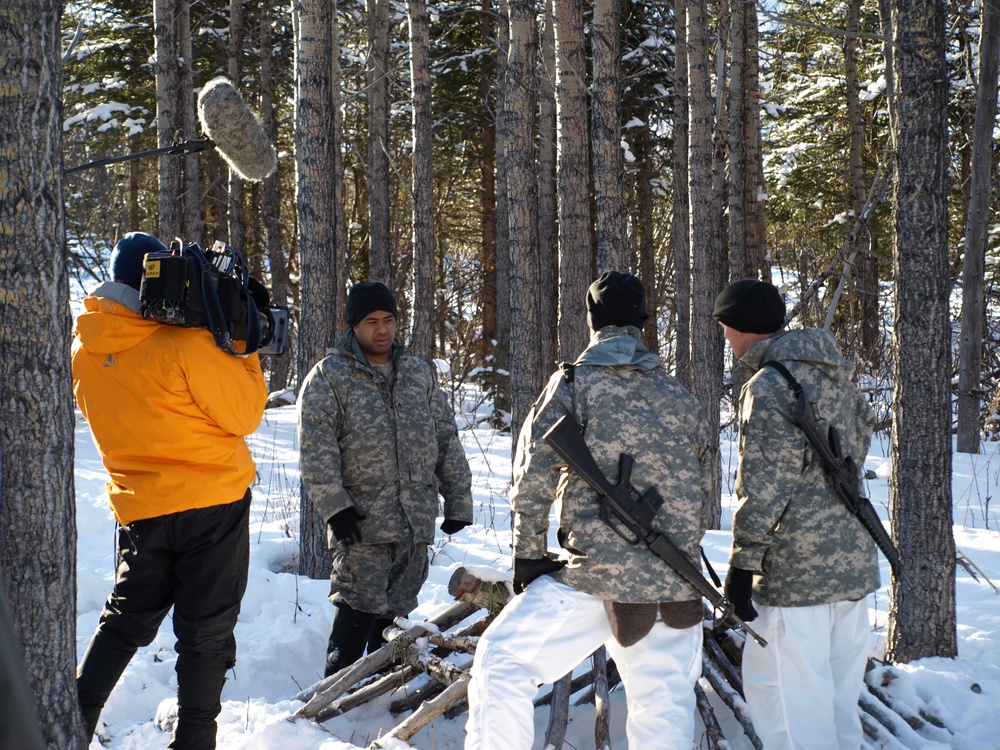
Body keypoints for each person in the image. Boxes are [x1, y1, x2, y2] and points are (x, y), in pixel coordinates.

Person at [465, 271, 713, 750]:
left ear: (592, 319)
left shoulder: (574, 383)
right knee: (663, 715)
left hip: (595, 576)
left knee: (500, 662)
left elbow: (532, 474)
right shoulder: (681, 398)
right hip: (673, 585)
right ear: (643, 321)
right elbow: (701, 501)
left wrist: (529, 554)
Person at [73, 231, 267, 749]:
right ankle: (195, 741)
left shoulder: (85, 350)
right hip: (212, 504)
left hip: (141, 510)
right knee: (204, 637)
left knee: (122, 624)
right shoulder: (185, 343)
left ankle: (66, 728)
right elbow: (246, 413)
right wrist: (241, 346)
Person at [713, 278, 879, 750]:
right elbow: (857, 450)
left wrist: (743, 565)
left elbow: (764, 486)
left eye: (726, 329)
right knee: (837, 709)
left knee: (788, 709)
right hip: (851, 566)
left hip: (795, 576)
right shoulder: (835, 376)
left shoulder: (769, 384)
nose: (726, 339)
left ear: (740, 329)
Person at [298, 281, 473, 678]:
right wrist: (335, 507)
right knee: (357, 610)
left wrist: (458, 499)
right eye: (372, 321)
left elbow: (445, 437)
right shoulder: (330, 377)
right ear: (354, 326)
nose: (382, 330)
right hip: (361, 524)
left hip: (414, 523)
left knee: (396, 618)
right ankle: (333, 697)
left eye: (389, 320)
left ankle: (381, 695)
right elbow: (316, 450)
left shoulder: (417, 373)